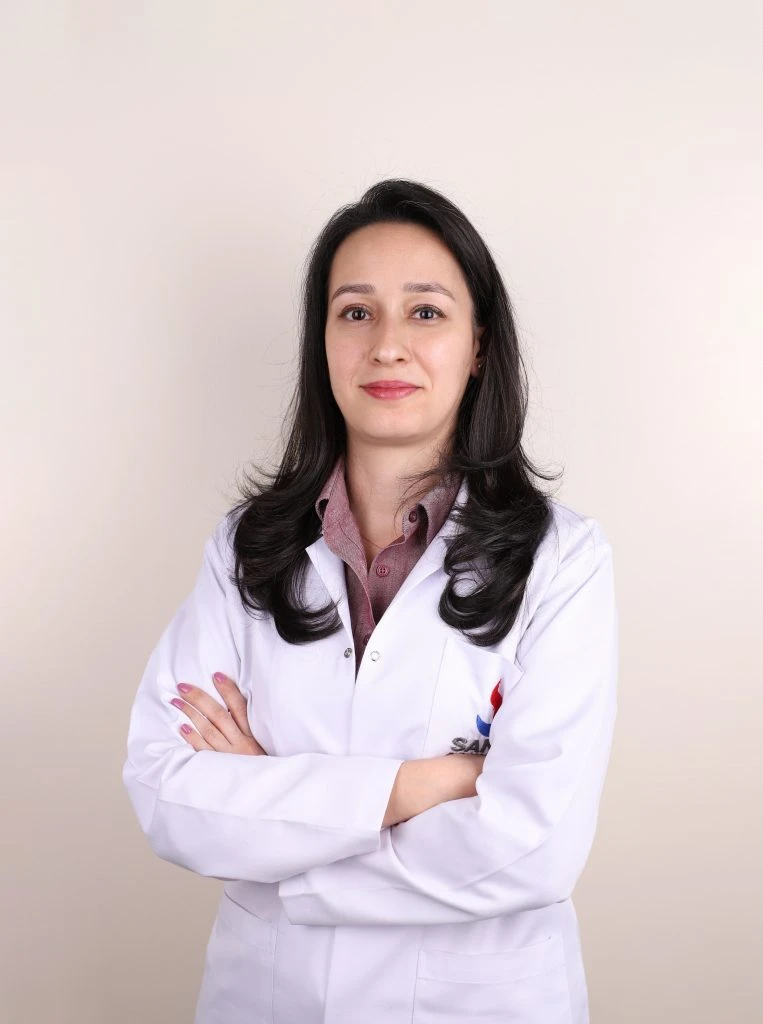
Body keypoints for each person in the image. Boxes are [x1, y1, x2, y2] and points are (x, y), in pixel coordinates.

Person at [122, 178, 618, 1024]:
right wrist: (422, 786)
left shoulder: (561, 560)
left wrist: (279, 824)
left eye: (425, 312)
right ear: (321, 341)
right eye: (355, 312)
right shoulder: (247, 547)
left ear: (478, 347)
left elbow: (531, 849)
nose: (387, 346)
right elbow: (166, 792)